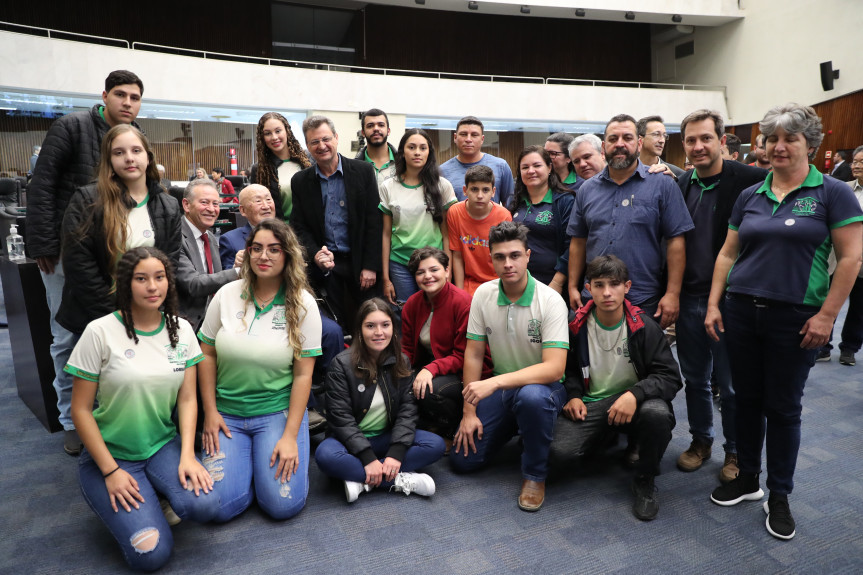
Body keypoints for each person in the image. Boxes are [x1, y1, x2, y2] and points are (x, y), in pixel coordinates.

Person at [706, 104, 863, 540]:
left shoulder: (832, 193)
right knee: (745, 399)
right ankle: (748, 480)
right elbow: (727, 253)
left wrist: (827, 316)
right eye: (771, 138)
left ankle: (780, 494)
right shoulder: (751, 194)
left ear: (810, 146)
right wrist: (716, 304)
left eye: (789, 138)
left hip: (796, 318)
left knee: (784, 408)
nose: (778, 146)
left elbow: (851, 258)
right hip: (740, 311)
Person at [66, 247, 218, 571]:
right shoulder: (100, 332)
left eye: (160, 277)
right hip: (111, 456)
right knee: (150, 555)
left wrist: (189, 454)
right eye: (141, 279)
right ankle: (128, 503)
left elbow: (188, 399)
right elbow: (79, 410)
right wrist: (110, 471)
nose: (153, 287)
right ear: (125, 284)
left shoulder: (182, 329)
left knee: (207, 505)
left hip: (162, 444)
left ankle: (156, 494)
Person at [26, 69, 144, 455]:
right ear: (105, 96)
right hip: (62, 251)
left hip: (110, 249)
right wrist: (43, 242)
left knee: (112, 330)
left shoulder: (133, 134)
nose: (128, 103)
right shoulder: (71, 126)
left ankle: (108, 412)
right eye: (121, 95)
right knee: (66, 336)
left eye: (135, 97)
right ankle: (70, 420)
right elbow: (42, 185)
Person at [198, 219, 322, 522]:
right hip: (226, 415)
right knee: (214, 508)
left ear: (287, 255)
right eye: (256, 249)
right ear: (248, 253)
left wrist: (290, 435)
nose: (263, 256)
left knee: (283, 506)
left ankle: (256, 470)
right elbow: (206, 354)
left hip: (275, 413)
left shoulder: (303, 304)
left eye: (273, 249)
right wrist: (210, 412)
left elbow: (304, 375)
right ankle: (248, 471)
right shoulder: (226, 295)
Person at [674, 110, 768, 483]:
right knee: (694, 380)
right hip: (687, 299)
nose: (698, 146)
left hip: (731, 302)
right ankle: (701, 441)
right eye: (691, 140)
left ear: (722, 140)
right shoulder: (681, 183)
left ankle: (735, 451)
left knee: (731, 385)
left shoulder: (751, 179)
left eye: (705, 138)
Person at [551, 255, 681, 520]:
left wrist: (635, 394)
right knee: (558, 455)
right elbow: (571, 369)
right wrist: (574, 396)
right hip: (594, 403)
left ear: (627, 287)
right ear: (588, 288)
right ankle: (609, 434)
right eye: (599, 285)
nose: (607, 293)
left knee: (656, 414)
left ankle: (644, 479)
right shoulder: (576, 325)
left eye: (614, 284)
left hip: (637, 401)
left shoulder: (644, 327)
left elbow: (670, 376)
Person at [451, 222, 570, 512]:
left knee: (531, 397)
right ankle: (524, 428)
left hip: (544, 390)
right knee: (463, 461)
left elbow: (553, 369)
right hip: (504, 389)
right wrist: (469, 412)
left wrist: (493, 383)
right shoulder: (483, 294)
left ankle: (534, 475)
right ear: (490, 259)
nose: (507, 264)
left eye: (515, 255)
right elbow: (474, 354)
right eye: (500, 257)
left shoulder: (551, 300)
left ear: (528, 256)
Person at [217, 184, 345, 432]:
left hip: (294, 300)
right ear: (242, 210)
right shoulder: (230, 239)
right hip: (253, 306)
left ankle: (336, 401)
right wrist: (236, 265)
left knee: (332, 332)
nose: (266, 204)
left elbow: (302, 274)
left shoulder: (287, 232)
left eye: (268, 199)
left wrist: (321, 265)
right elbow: (227, 280)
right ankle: (305, 406)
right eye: (258, 201)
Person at [567, 114, 694, 327]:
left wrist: (672, 293)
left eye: (627, 138)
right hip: (595, 297)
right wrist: (572, 286)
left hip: (643, 298)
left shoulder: (663, 185)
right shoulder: (586, 190)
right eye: (613, 139)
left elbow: (676, 242)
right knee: (594, 359)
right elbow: (578, 241)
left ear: (639, 143)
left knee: (642, 359)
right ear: (604, 146)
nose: (620, 144)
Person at [315, 298, 446, 502]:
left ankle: (361, 480)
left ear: (393, 329)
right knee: (325, 456)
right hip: (350, 442)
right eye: (370, 326)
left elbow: (407, 410)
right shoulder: (341, 365)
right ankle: (398, 479)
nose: (379, 332)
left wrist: (396, 453)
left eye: (385, 325)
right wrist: (367, 458)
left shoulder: (401, 360)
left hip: (386, 438)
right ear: (359, 330)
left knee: (435, 445)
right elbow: (340, 417)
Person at [290, 115, 383, 334]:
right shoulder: (300, 181)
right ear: (307, 146)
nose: (321, 146)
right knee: (332, 325)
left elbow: (373, 221)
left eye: (326, 139)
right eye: (314, 142)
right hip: (325, 265)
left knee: (367, 321)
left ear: (336, 138)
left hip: (360, 263)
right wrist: (316, 255)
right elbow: (299, 226)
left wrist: (370, 265)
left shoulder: (362, 171)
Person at [401, 247, 492, 443]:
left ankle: (449, 430)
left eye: (434, 269)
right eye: (420, 272)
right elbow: (407, 349)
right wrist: (396, 369)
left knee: (429, 391)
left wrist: (430, 369)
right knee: (398, 383)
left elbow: (463, 356)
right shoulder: (412, 304)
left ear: (447, 271)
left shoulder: (463, 303)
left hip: (466, 372)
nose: (428, 276)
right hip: (434, 367)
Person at [379, 128, 457, 306]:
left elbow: (447, 234)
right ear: (402, 152)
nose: (417, 152)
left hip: (433, 262)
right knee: (405, 312)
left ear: (429, 152)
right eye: (411, 147)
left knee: (434, 311)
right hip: (400, 262)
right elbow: (385, 234)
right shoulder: (388, 186)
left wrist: (448, 270)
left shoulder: (442, 186)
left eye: (423, 148)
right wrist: (385, 278)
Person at [176, 178, 241, 331]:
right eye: (204, 203)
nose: (212, 209)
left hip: (213, 322)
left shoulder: (210, 237)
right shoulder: (175, 237)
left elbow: (215, 278)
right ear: (186, 205)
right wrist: (239, 272)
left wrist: (236, 266)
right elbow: (193, 284)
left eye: (216, 203)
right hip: (185, 326)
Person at [510, 145, 574, 295]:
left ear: (549, 168)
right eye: (525, 167)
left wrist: (557, 282)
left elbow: (572, 247)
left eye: (537, 165)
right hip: (519, 285)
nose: (531, 171)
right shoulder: (515, 203)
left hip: (553, 285)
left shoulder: (565, 201)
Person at [446, 165, 512, 295]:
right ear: (465, 190)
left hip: (497, 283)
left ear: (493, 192)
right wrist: (460, 293)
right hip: (468, 283)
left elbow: (505, 257)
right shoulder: (454, 212)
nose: (480, 195)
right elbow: (457, 256)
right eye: (474, 189)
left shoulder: (503, 216)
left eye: (485, 190)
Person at [827, 145, 863, 366]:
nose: (857, 166)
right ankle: (822, 345)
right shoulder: (843, 189)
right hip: (838, 257)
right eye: (855, 162)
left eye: (862, 162)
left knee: (859, 307)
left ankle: (849, 348)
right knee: (830, 300)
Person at [440, 116, 515, 207]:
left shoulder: (501, 166)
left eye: (474, 135)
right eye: (463, 134)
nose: (468, 139)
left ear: (482, 139)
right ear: (455, 137)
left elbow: (510, 206)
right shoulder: (442, 171)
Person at [249, 112, 311, 221]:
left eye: (278, 131)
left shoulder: (308, 160)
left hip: (310, 231)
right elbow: (257, 208)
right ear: (262, 138)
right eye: (267, 133)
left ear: (287, 131)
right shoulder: (259, 170)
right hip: (280, 231)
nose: (274, 137)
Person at [355, 108, 397, 184]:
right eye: (370, 126)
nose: (376, 129)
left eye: (381, 125)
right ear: (363, 133)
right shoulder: (354, 167)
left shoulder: (403, 163)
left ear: (388, 131)